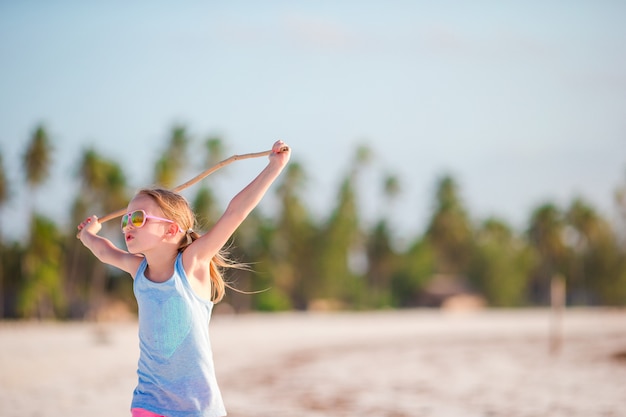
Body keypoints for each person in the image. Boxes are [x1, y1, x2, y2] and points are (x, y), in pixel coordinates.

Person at [77, 140, 290, 417]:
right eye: (126, 219)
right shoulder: (138, 270)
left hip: (196, 407)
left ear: (171, 230)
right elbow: (105, 251)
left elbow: (235, 212)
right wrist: (88, 235)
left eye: (139, 218)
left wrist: (274, 167)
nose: (129, 224)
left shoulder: (191, 264)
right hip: (148, 401)